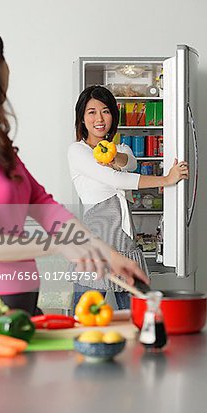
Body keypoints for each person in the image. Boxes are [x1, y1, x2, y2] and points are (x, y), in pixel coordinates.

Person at [0, 21, 149, 315]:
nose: (7, 69)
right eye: (2, 58)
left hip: (23, 302)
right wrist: (61, 245)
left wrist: (103, 252)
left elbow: (43, 205)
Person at [68, 85, 189, 311]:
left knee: (139, 317)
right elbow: (118, 180)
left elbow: (130, 163)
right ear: (82, 119)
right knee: (83, 318)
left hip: (125, 241)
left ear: (113, 115)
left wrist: (114, 156)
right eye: (91, 112)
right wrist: (166, 179)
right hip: (97, 244)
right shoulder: (77, 151)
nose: (99, 118)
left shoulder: (122, 148)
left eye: (105, 110)